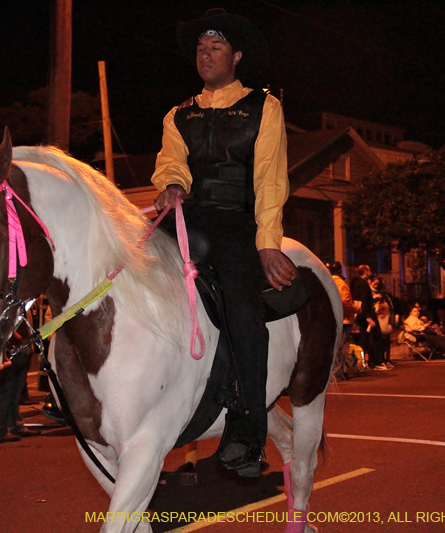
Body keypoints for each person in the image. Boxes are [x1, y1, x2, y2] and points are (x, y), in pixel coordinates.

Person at [151, 9, 294, 477]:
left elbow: (270, 179)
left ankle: (247, 434)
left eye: (216, 47)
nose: (206, 54)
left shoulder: (264, 107)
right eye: (200, 48)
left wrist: (267, 243)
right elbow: (171, 162)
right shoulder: (178, 114)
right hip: (189, 219)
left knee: (244, 315)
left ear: (235, 57)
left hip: (237, 225)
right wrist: (172, 183)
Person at [350, 265, 387, 370]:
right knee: (373, 337)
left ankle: (366, 362)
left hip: (362, 314)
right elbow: (363, 301)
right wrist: (367, 316)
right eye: (369, 270)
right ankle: (375, 361)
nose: (370, 272)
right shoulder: (362, 284)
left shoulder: (356, 283)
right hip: (366, 314)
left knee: (365, 339)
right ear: (365, 271)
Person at [327, 261, 357, 379]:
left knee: (332, 345)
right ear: (340, 270)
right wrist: (357, 309)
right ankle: (338, 372)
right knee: (342, 346)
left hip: (330, 319)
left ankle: (330, 371)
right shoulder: (341, 284)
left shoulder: (327, 282)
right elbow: (345, 302)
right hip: (344, 320)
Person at [371, 276, 395, 369]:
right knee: (380, 342)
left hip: (384, 321)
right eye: (375, 284)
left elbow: (390, 308)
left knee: (385, 341)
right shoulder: (373, 297)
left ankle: (385, 359)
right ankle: (381, 359)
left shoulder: (384, 298)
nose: (376, 286)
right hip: (380, 322)